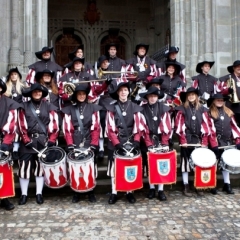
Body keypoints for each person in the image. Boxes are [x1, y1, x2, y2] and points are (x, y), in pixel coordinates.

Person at [18, 83, 59, 205]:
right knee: (24, 169)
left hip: (43, 142)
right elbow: (20, 124)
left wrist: (51, 140)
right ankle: (24, 194)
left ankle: (39, 194)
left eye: (39, 92)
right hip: (28, 142)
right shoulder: (23, 106)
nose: (37, 93)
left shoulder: (49, 106)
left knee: (40, 169)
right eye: (35, 91)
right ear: (31, 93)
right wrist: (26, 140)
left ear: (42, 93)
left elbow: (55, 125)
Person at [62, 85, 102, 203]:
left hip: (88, 138)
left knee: (90, 166)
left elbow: (96, 127)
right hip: (76, 139)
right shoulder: (69, 109)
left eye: (83, 94)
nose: (81, 96)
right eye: (79, 94)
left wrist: (94, 144)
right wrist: (70, 143)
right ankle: (76, 191)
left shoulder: (93, 108)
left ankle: (91, 191)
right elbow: (67, 128)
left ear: (86, 95)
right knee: (75, 166)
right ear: (75, 95)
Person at [105, 81, 143, 204]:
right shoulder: (111, 107)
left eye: (125, 90)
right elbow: (110, 128)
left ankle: (129, 191)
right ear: (117, 93)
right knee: (114, 168)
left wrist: (136, 141)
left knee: (130, 166)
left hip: (130, 141)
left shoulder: (135, 107)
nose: (123, 92)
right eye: (120, 90)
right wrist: (116, 143)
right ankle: (114, 192)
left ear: (129, 92)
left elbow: (138, 125)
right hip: (115, 141)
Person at [175, 87, 211, 197]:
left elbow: (206, 125)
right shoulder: (181, 109)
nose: (191, 96)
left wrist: (204, 141)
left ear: (196, 96)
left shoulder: (203, 110)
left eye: (193, 94)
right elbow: (179, 125)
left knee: (198, 162)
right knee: (185, 163)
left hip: (198, 140)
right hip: (187, 139)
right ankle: (186, 185)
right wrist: (183, 140)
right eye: (189, 95)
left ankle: (198, 184)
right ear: (186, 97)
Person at [140, 86, 171, 201]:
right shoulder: (142, 109)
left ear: (157, 97)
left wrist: (164, 143)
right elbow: (142, 128)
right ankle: (152, 188)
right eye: (150, 96)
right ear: (147, 97)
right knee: (149, 165)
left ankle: (161, 189)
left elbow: (166, 127)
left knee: (161, 164)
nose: (152, 98)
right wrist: (148, 144)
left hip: (160, 140)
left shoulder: (164, 108)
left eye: (154, 96)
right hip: (147, 140)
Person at [207, 93, 240, 194]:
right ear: (213, 101)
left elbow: (234, 126)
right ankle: (212, 184)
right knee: (214, 163)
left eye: (221, 100)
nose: (220, 102)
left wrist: (238, 140)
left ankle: (227, 184)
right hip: (215, 142)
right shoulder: (209, 113)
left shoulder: (228, 112)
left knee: (226, 163)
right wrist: (213, 144)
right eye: (218, 100)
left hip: (227, 142)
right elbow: (210, 129)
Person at [0, 79, 20, 211]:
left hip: (3, 141)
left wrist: (5, 144)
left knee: (4, 171)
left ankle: (4, 198)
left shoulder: (10, 103)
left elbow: (12, 125)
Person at [5, 67, 27, 161]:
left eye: (15, 74)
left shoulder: (22, 87)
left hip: (19, 112)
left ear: (18, 76)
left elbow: (26, 100)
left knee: (18, 129)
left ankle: (16, 150)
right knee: (9, 129)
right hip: (8, 112)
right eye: (12, 74)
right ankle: (8, 150)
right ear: (10, 76)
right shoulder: (6, 86)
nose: (13, 76)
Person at [218, 60, 240, 126]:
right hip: (231, 106)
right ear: (233, 68)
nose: (239, 68)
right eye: (237, 67)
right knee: (232, 125)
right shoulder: (226, 78)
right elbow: (220, 90)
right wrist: (229, 90)